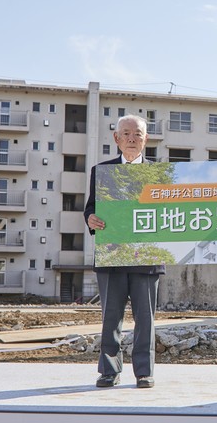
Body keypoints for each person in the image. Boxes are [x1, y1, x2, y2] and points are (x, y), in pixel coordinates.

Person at [84, 114, 165, 389]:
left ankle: (144, 372)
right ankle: (109, 371)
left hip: (147, 258)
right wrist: (90, 219)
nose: (132, 139)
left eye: (138, 134)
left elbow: (169, 214)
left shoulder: (160, 174)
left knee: (146, 319)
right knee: (111, 318)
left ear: (146, 139)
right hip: (112, 256)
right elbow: (91, 207)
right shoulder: (102, 171)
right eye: (126, 134)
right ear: (116, 138)